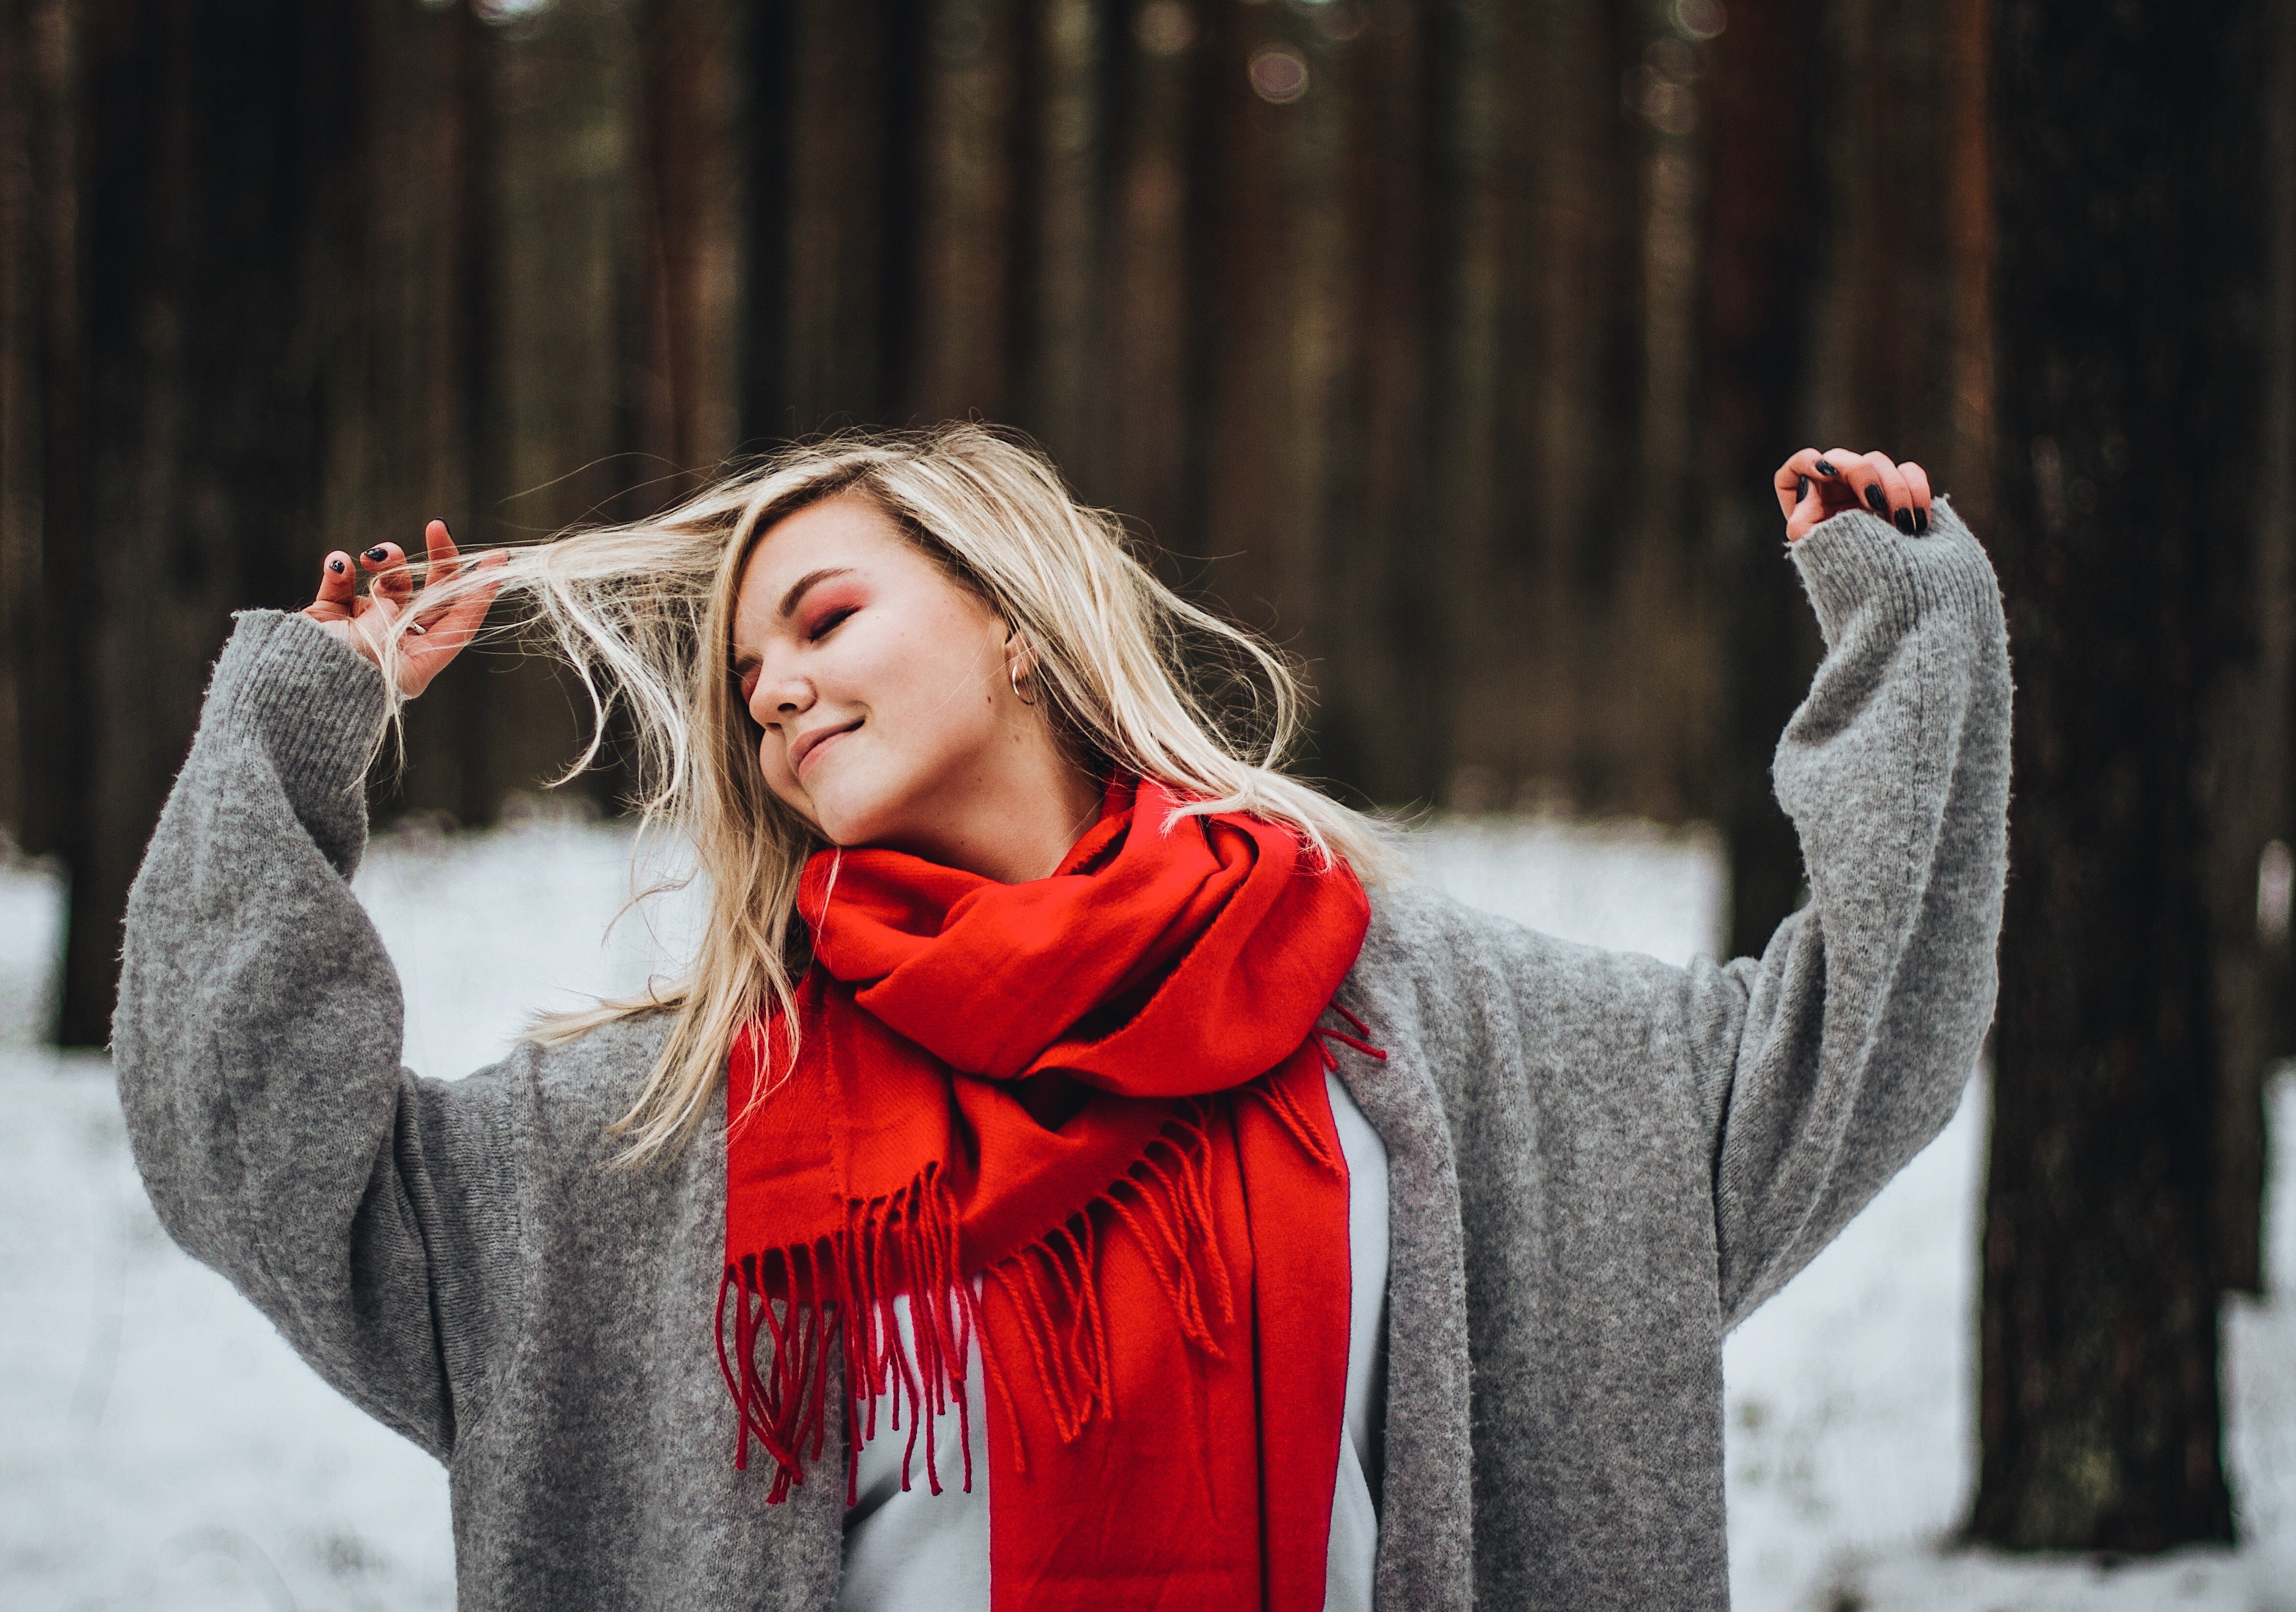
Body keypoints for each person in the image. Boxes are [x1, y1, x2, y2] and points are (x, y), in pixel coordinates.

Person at [114, 425, 2008, 1612]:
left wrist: (1910, 639)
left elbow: (1838, 1064)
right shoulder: (697, 1112)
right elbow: (257, 1156)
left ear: (1013, 620)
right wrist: (298, 730)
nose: (772, 688)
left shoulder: (1391, 1002)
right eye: (748, 669)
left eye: (825, 618)